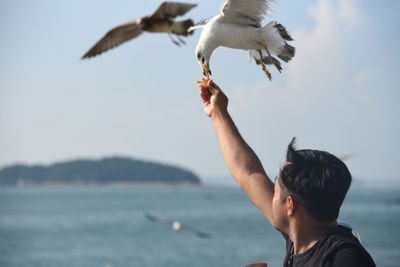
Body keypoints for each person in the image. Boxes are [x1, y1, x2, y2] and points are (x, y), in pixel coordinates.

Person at [198, 80, 376, 267]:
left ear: (290, 205)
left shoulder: (344, 259)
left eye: (275, 189)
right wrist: (218, 113)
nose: (269, 194)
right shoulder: (302, 236)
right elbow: (249, 173)